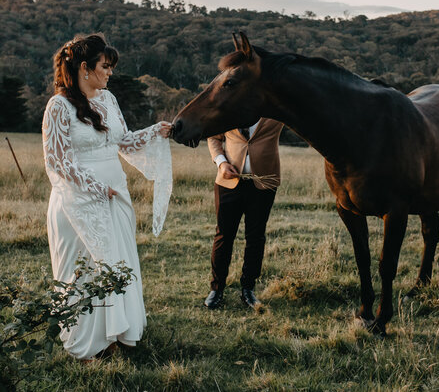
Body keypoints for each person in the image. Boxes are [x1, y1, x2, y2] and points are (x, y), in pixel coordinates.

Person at [42, 33, 173, 361]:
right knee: (83, 270)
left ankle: (114, 335)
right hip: (79, 200)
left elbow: (124, 142)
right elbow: (59, 161)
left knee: (116, 265)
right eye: (105, 66)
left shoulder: (108, 100)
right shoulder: (59, 106)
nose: (110, 72)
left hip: (116, 195)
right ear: (85, 68)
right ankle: (85, 345)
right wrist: (98, 188)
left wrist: (156, 130)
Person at [204, 118, 284, 309]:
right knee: (224, 234)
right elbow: (213, 137)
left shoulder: (274, 107)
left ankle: (248, 289)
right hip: (228, 182)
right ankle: (217, 288)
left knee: (256, 237)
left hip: (264, 183)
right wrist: (222, 163)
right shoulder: (231, 105)